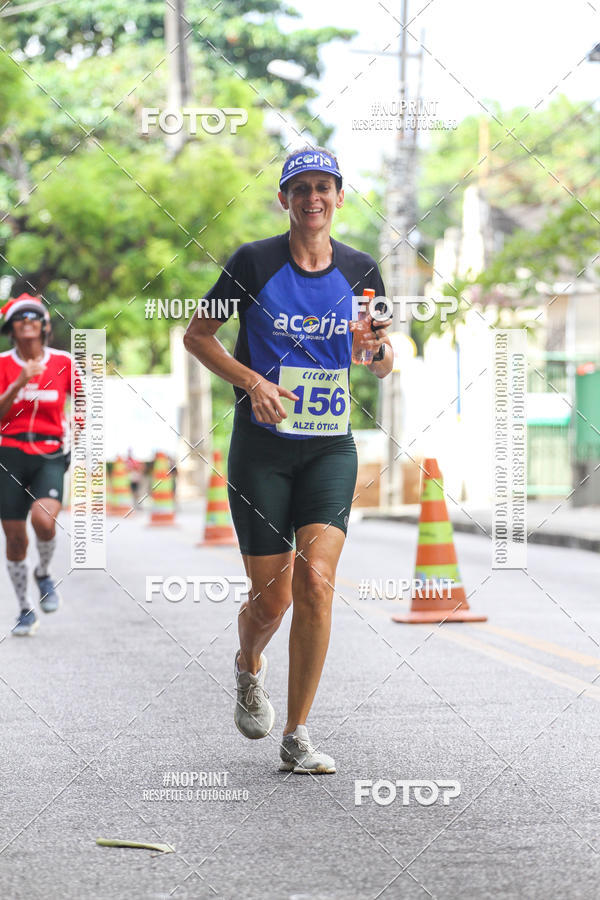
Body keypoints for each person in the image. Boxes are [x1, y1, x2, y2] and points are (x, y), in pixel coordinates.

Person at [184, 146, 393, 773]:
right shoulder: (254, 261)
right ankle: (249, 664)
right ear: (284, 199)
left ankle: (298, 734)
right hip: (263, 451)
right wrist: (252, 382)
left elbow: (382, 360)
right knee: (271, 598)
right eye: (299, 188)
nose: (312, 198)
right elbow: (197, 336)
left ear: (339, 196)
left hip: (330, 447)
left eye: (323, 186)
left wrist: (373, 349)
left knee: (317, 584)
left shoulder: (363, 270)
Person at [0, 286, 77, 636]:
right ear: (11, 328)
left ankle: (43, 572)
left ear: (45, 325)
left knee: (44, 520)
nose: (27, 321)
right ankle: (24, 608)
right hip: (9, 453)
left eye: (33, 316)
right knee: (15, 540)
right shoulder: (2, 365)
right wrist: (19, 382)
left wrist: (81, 427)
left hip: (49, 451)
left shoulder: (63, 362)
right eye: (19, 318)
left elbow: (85, 400)